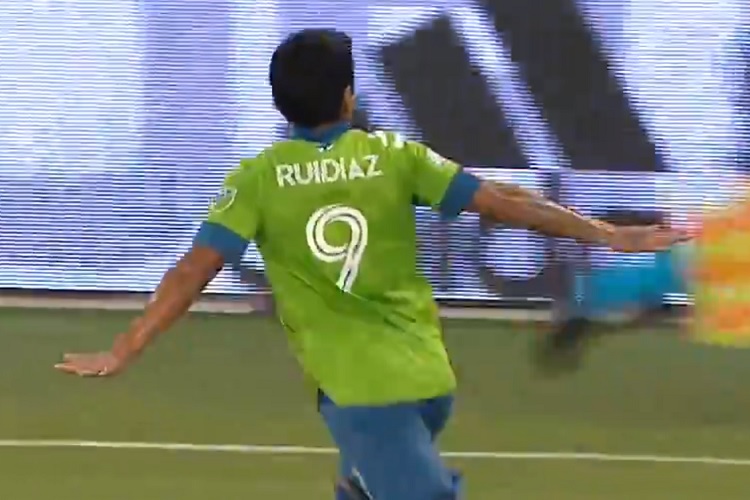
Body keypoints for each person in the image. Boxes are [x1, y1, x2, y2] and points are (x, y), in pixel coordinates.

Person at [55, 28, 686, 500]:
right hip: (429, 381)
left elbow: (193, 272)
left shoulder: (257, 181)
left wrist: (125, 348)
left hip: (363, 397)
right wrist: (607, 234)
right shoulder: (394, 156)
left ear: (279, 103)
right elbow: (505, 202)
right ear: (349, 97)